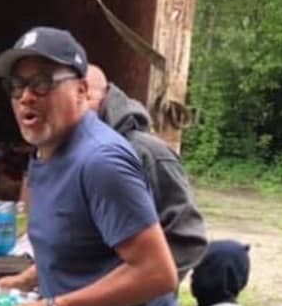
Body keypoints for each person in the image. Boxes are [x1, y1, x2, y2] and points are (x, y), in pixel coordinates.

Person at [0, 27, 179, 306]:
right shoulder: (47, 149)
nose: (26, 96)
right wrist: (28, 278)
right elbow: (84, 240)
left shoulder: (101, 161)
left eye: (42, 83)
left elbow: (157, 273)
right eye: (18, 85)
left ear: (80, 91)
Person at [85, 64, 207, 278]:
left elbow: (187, 239)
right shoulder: (71, 153)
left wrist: (142, 293)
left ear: (99, 97)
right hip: (78, 303)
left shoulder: (147, 153)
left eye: (82, 95)